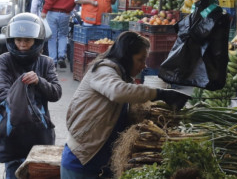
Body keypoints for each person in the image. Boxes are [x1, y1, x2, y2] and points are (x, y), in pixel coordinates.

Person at [60, 31, 190, 178]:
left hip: (103, 165)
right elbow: (117, 92)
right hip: (82, 162)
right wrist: (160, 94)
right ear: (127, 57)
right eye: (140, 60)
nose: (144, 65)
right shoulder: (103, 70)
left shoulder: (122, 76)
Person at [0, 13, 62, 179]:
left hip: (40, 133)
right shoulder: (4, 61)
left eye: (27, 40)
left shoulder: (46, 62)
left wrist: (38, 81)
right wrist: (21, 93)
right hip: (12, 132)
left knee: (40, 173)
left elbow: (56, 93)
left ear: (37, 40)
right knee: (13, 173)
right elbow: (2, 93)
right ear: (12, 39)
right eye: (18, 40)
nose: (22, 44)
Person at [42, 0, 79, 68]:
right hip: (65, 13)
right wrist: (69, 8)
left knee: (52, 37)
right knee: (63, 35)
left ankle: (53, 60)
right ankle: (62, 56)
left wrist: (44, 10)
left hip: (52, 12)